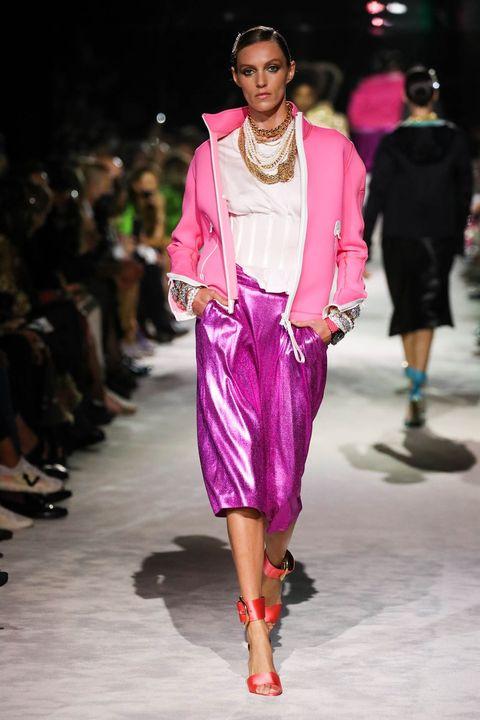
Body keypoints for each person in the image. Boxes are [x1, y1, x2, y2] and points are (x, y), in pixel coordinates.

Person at [165, 26, 368, 696]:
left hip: (293, 326)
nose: (260, 82)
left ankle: (275, 568)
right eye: (248, 71)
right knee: (236, 468)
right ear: (235, 76)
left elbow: (352, 249)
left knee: (282, 474)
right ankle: (256, 630)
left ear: (290, 73)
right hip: (229, 321)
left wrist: (332, 317)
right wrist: (197, 295)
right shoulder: (211, 153)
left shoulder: (335, 153)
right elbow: (185, 241)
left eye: (272, 69)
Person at [363, 65, 473, 427]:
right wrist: (457, 238)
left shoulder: (392, 142)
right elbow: (462, 194)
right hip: (438, 238)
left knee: (408, 309)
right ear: (435, 95)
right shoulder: (455, 139)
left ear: (406, 97)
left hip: (398, 237)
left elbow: (376, 194)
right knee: (426, 309)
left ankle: (414, 378)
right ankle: (417, 385)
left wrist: (363, 242)